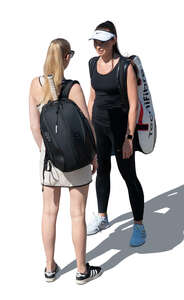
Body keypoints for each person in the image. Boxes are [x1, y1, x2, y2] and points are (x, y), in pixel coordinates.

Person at [29, 38, 102, 284]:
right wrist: (94, 156)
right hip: (77, 161)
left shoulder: (35, 86)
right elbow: (86, 126)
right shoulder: (73, 88)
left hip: (49, 160)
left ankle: (50, 268)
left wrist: (48, 152)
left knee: (49, 213)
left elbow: (35, 126)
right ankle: (82, 270)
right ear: (67, 58)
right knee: (77, 214)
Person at [87, 21, 146, 247]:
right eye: (96, 41)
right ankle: (102, 217)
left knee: (128, 176)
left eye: (103, 41)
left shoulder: (126, 66)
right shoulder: (92, 64)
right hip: (100, 127)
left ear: (114, 40)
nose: (98, 45)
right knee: (101, 171)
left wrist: (129, 138)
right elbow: (92, 98)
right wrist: (91, 128)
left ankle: (139, 225)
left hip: (121, 130)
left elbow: (134, 105)